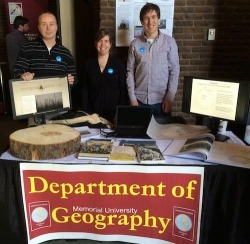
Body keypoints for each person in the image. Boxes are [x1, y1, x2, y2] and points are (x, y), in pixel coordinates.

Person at [126, 3, 180, 116]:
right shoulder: (134, 44)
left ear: (158, 19)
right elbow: (129, 72)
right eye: (146, 18)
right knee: (138, 133)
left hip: (162, 103)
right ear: (141, 22)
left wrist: (170, 97)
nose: (150, 22)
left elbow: (174, 71)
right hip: (139, 101)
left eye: (153, 17)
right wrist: (132, 97)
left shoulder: (169, 42)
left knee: (162, 134)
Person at [13, 11, 77, 86]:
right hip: (34, 96)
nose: (48, 28)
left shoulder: (66, 53)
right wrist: (22, 76)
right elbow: (16, 72)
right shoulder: (27, 49)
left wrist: (71, 80)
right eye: (44, 24)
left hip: (59, 96)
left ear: (57, 27)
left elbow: (74, 78)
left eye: (51, 24)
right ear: (39, 28)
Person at [82, 29, 127, 122]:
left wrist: (120, 113)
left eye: (106, 41)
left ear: (110, 44)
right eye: (100, 41)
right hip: (93, 115)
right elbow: (84, 90)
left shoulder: (118, 64)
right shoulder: (88, 65)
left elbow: (123, 91)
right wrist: (85, 113)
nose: (103, 44)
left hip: (113, 115)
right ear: (95, 44)